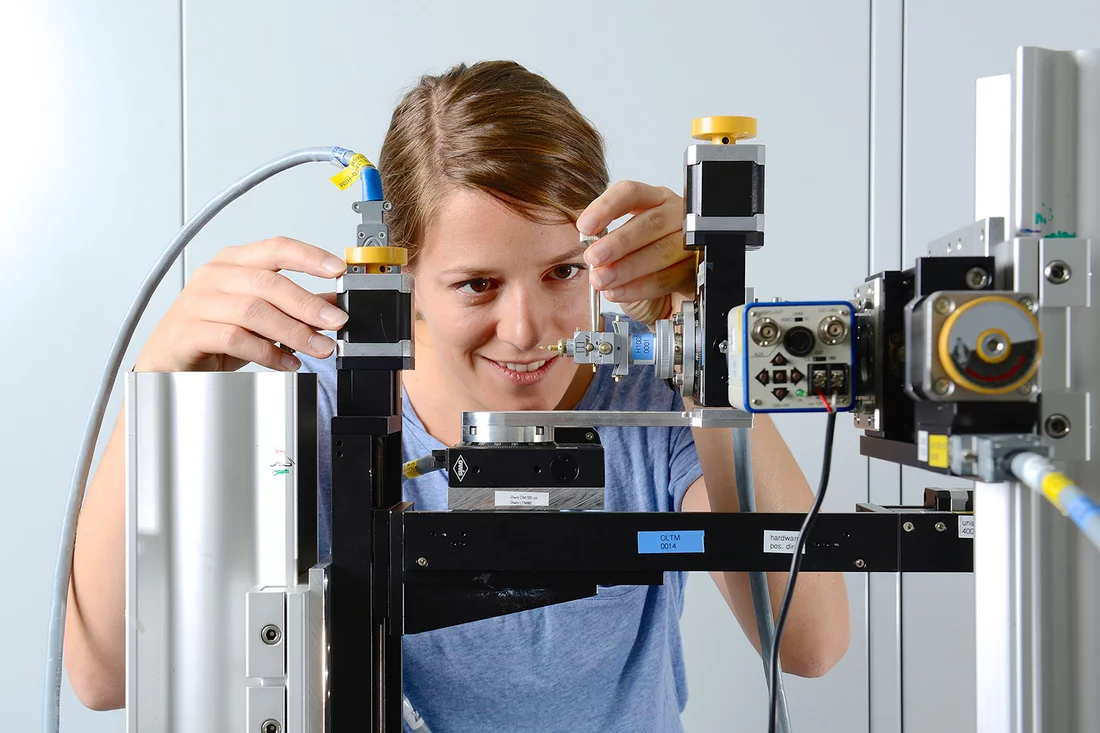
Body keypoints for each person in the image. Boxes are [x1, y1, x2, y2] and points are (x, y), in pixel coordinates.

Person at [64, 60, 850, 730]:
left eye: (562, 271)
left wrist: (708, 331)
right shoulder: (331, 412)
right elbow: (104, 674)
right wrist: (161, 378)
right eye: (477, 283)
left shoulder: (653, 403)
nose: (526, 328)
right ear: (399, 285)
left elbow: (810, 642)